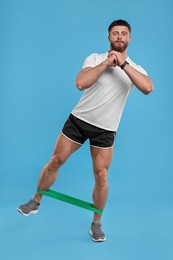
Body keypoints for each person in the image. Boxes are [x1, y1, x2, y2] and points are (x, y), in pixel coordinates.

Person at [17, 19, 153, 242]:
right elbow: (80, 83)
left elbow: (148, 88)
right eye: (115, 33)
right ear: (109, 37)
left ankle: (96, 223)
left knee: (101, 175)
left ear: (129, 38)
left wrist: (123, 65)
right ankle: (35, 201)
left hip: (106, 129)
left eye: (124, 33)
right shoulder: (95, 58)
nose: (119, 36)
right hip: (79, 121)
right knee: (55, 161)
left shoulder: (135, 69)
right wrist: (107, 64)